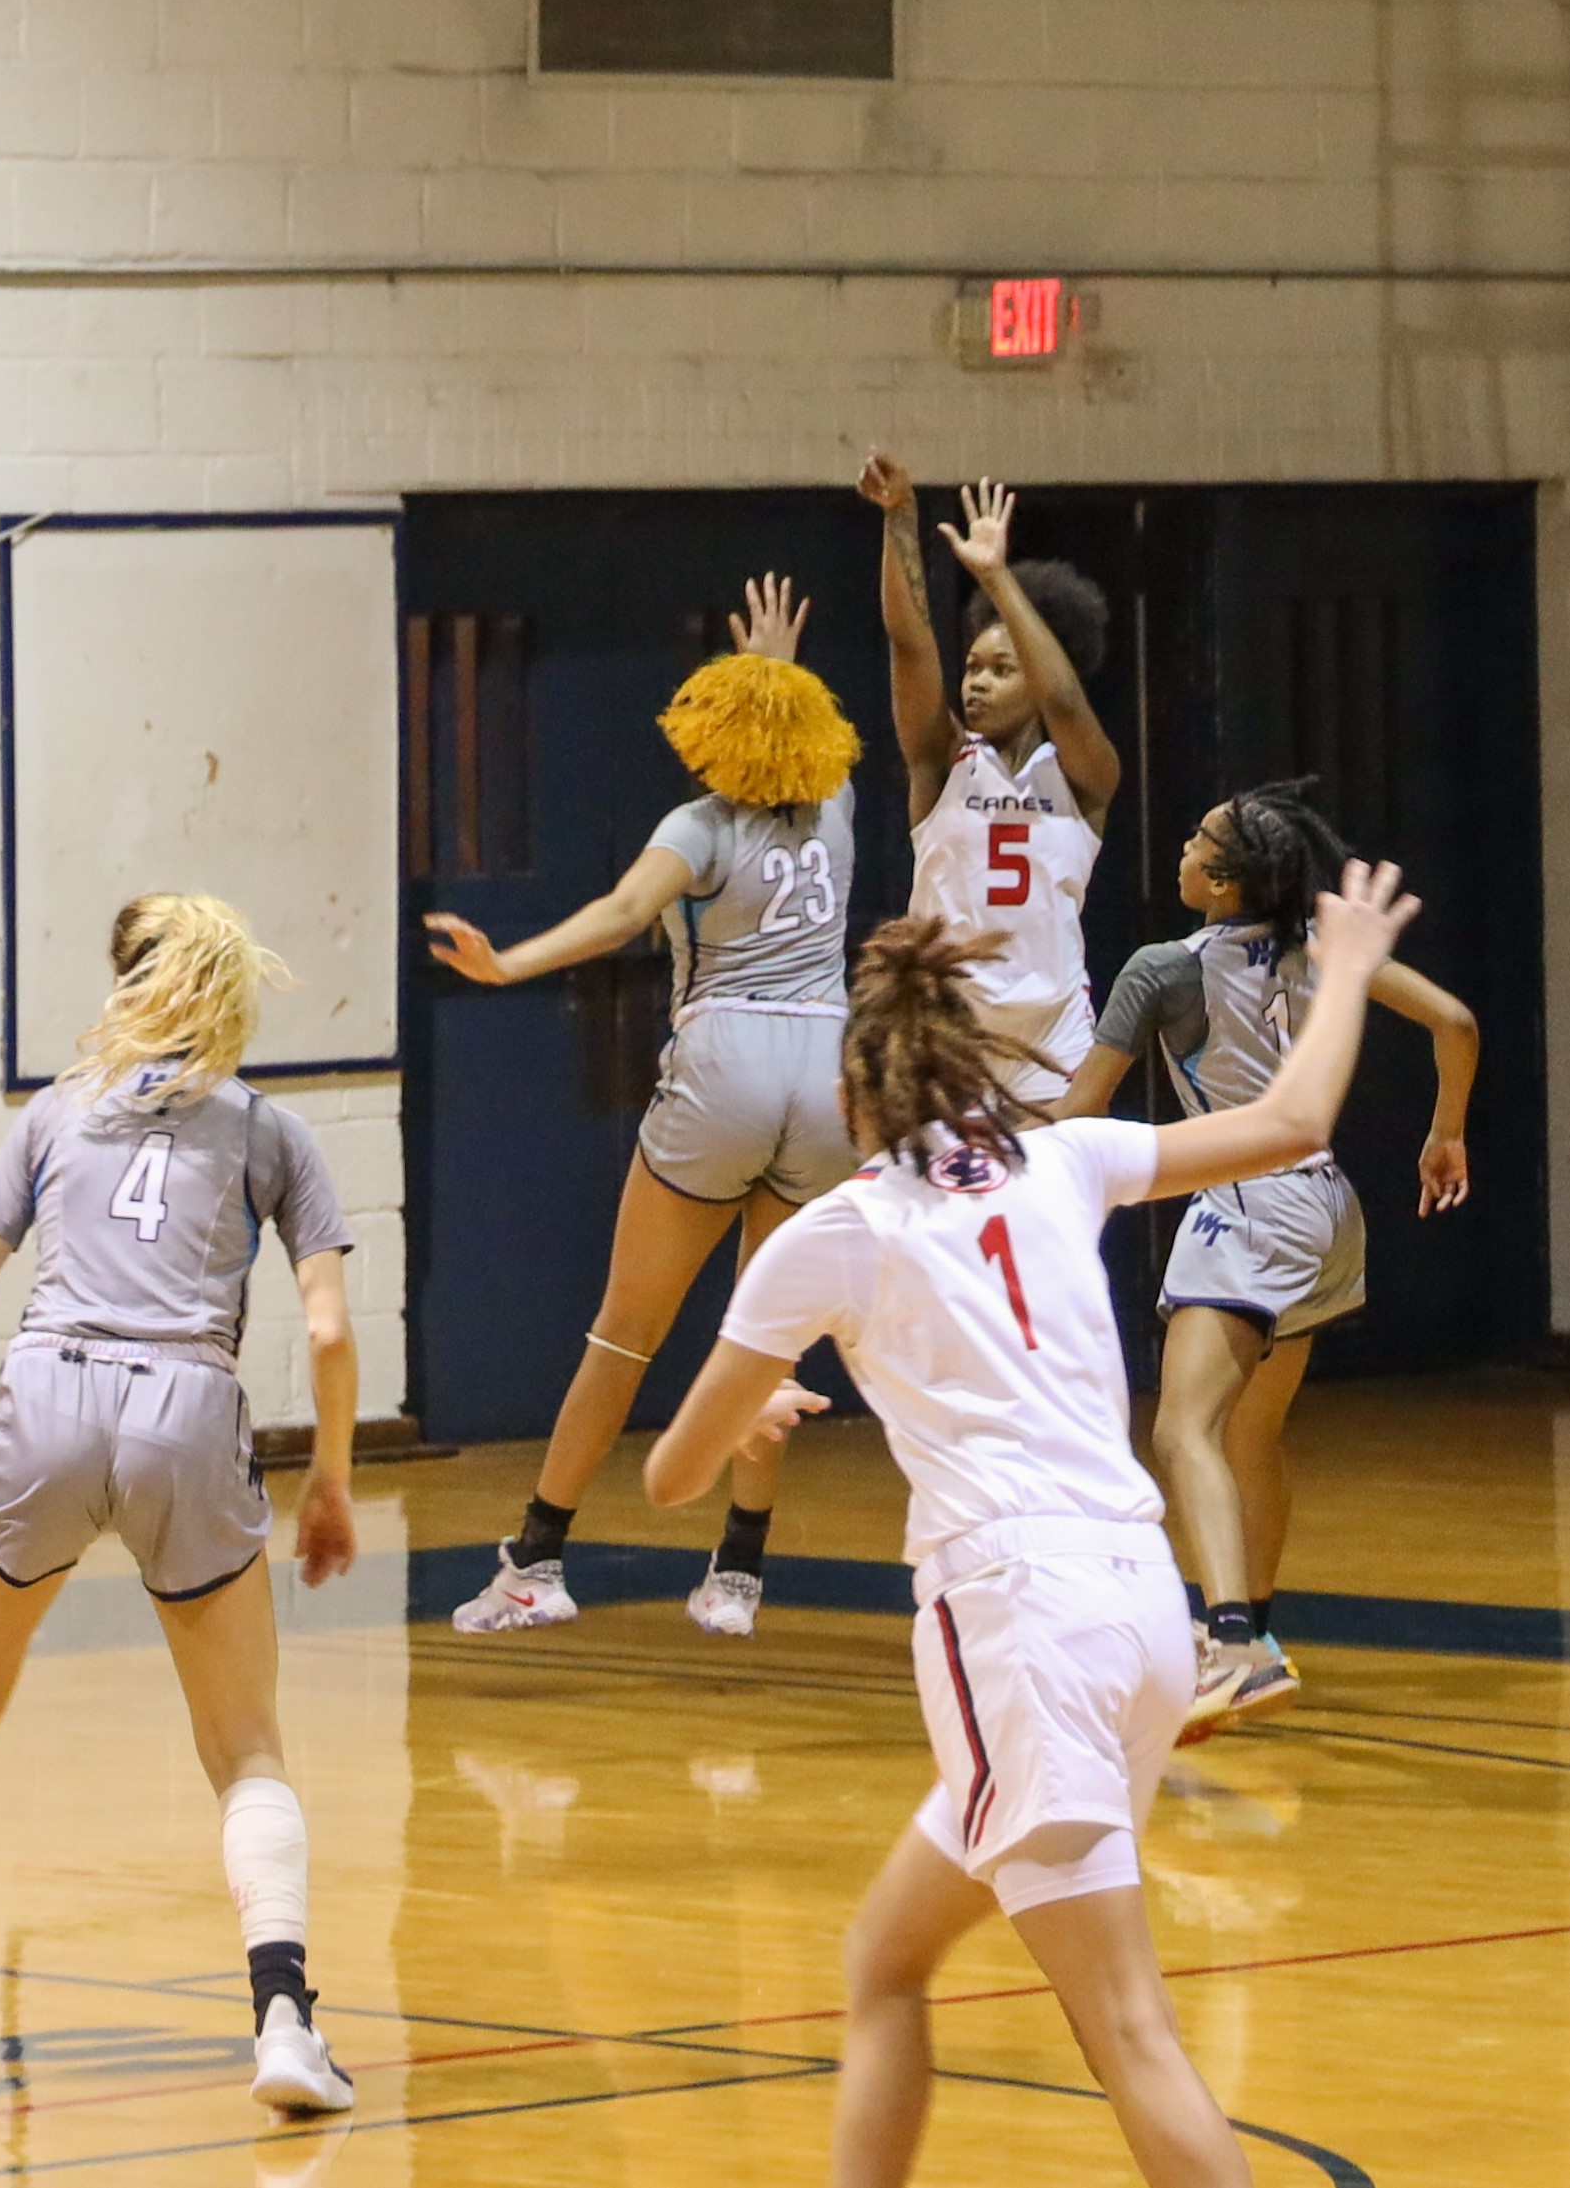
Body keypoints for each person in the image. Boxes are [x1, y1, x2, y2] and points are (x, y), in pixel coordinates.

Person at [644, 865, 1420, 2188]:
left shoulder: (835, 1230)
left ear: (854, 1099)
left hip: (1017, 1619)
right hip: (1141, 1610)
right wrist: (1341, 966)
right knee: (886, 1960)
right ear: (970, 1068)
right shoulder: (1065, 1157)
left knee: (1125, 2026)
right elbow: (1292, 1119)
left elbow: (669, 1474)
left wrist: (755, 1416)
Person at [0, 895, 360, 2118]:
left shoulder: (53, 1112)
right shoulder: (270, 1131)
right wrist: (334, 1485)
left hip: (43, 1394)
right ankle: (285, 2024)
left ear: (127, 986)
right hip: (188, 1410)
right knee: (246, 1746)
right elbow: (325, 1326)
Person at [427, 575, 861, 1639]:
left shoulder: (700, 827)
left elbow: (625, 910)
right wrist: (782, 670)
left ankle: (536, 1562)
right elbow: (794, 730)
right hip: (831, 1074)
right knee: (763, 1346)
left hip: (728, 1060)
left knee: (625, 1336)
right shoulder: (837, 810)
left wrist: (509, 963)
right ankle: (736, 1579)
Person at [1053, 781, 1476, 1739]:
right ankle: (1259, 1639)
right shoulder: (1328, 947)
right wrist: (1444, 1131)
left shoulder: (1161, 967)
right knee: (1250, 1438)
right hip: (1330, 1208)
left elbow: (1077, 1115)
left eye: (1198, 842)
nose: (1181, 850)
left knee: (1180, 1430)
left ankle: (1231, 1644)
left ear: (1225, 880)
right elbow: (1454, 1021)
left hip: (1247, 1202)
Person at [859, 458, 1118, 1098]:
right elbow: (910, 643)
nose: (975, 681)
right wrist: (900, 519)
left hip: (1052, 1039)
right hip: (948, 1031)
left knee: (1054, 1201)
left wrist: (999, 579)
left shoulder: (1084, 776)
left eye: (1001, 669)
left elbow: (1061, 701)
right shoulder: (942, 758)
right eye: (972, 666)